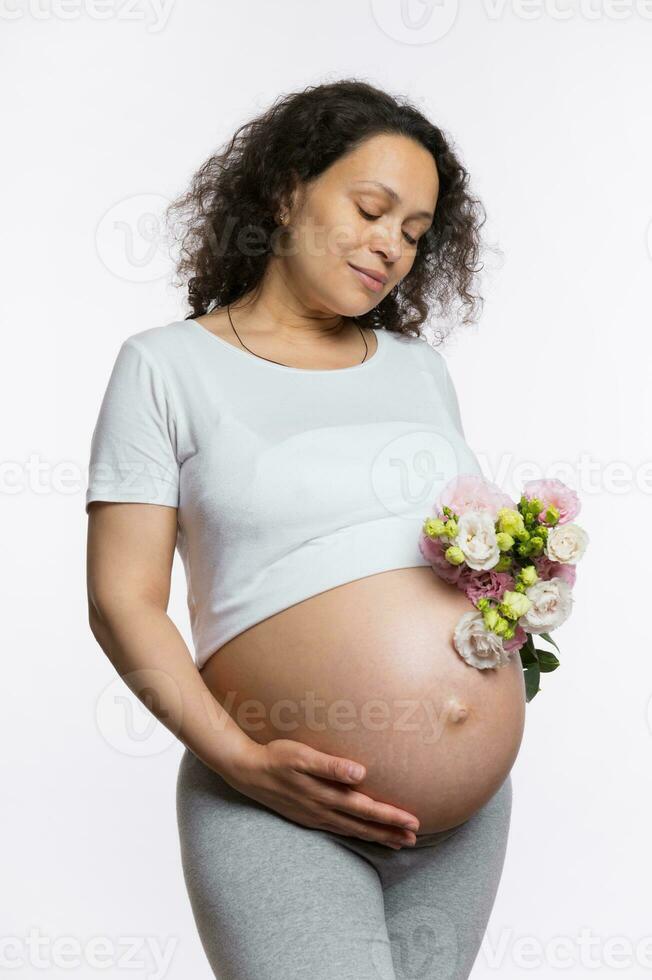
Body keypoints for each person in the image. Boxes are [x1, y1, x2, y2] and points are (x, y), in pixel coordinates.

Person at [86, 78, 523, 980]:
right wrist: (242, 762)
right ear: (287, 189)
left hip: (463, 825)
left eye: (414, 232)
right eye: (371, 209)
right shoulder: (167, 368)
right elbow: (121, 601)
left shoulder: (419, 371)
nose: (392, 247)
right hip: (276, 804)